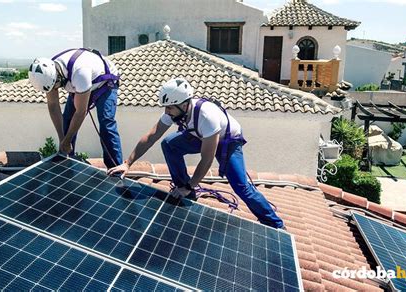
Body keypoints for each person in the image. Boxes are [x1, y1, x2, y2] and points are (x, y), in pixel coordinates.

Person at [108, 78, 284, 229]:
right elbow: (152, 135)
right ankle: (184, 191)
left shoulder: (207, 116)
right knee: (169, 144)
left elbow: (207, 160)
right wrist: (127, 163)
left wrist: (190, 185)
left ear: (184, 104)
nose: (166, 112)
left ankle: (275, 224)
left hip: (227, 142)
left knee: (241, 186)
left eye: (169, 108)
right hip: (200, 135)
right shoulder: (176, 110)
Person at [28, 48, 123, 168]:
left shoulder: (80, 72)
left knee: (106, 122)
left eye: (56, 85)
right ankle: (66, 161)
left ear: (59, 76)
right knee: (67, 121)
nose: (55, 89)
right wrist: (63, 139)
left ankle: (115, 167)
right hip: (82, 85)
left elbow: (80, 112)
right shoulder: (47, 74)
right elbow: (53, 106)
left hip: (104, 83)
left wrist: (67, 140)